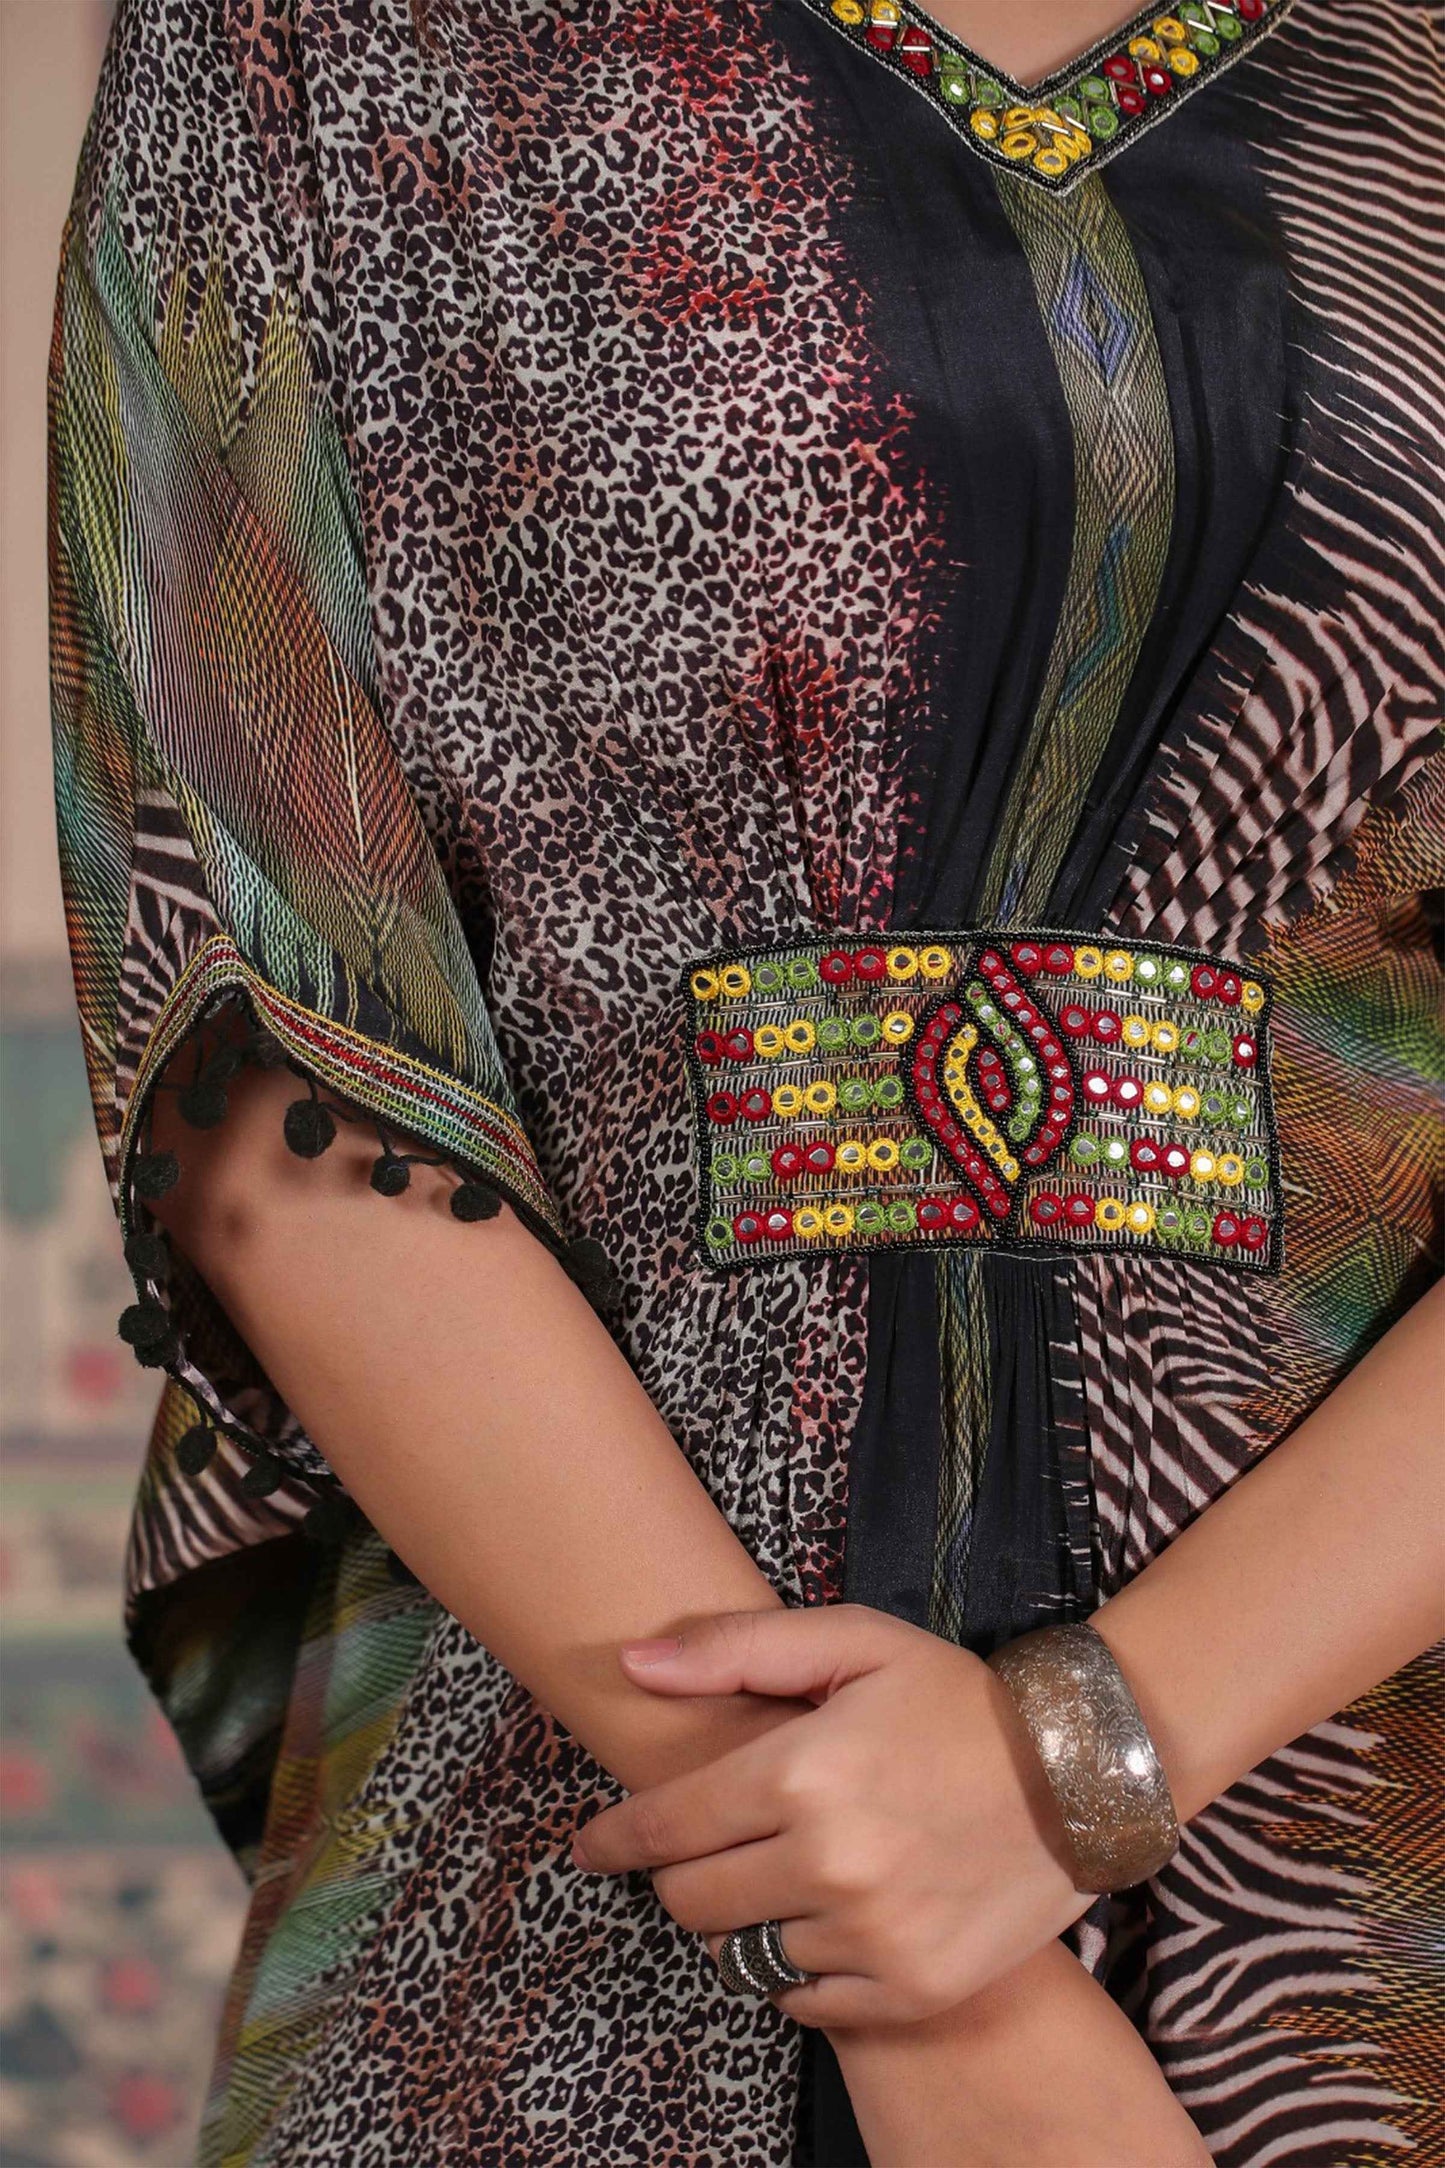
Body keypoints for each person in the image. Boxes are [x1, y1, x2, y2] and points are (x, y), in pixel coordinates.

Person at [48, 0, 1443, 2160]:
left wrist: (1085, 1757)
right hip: (585, 1830)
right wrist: (929, 1985)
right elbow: (261, 1016)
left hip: (1347, 1850)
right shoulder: (311, 42)